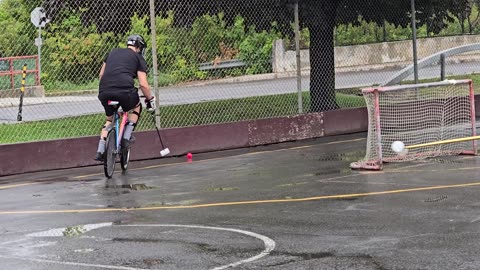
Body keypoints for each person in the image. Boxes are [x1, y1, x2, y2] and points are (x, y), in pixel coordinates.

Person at [94, 34, 155, 161]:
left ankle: (100, 149)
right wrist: (150, 99)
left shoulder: (113, 52)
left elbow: (101, 74)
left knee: (109, 120)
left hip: (104, 91)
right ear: (138, 47)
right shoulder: (138, 58)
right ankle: (126, 137)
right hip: (125, 92)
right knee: (136, 107)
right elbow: (143, 84)